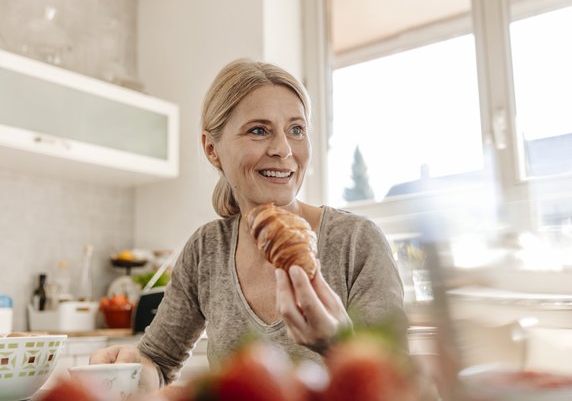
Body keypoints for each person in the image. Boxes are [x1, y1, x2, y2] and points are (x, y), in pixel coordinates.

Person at [90, 59, 408, 392]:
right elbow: (159, 361)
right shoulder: (206, 249)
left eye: (296, 130)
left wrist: (334, 344)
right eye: (259, 130)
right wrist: (130, 367)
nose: (283, 149)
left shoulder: (355, 241)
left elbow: (395, 385)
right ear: (212, 149)